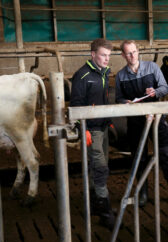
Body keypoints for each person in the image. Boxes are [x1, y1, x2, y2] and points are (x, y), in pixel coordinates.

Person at [115, 40, 168, 207]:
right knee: (139, 157)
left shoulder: (152, 68)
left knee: (166, 154)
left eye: (134, 52)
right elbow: (118, 98)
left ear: (138, 52)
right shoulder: (120, 76)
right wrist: (126, 102)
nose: (132, 55)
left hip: (157, 119)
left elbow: (165, 87)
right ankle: (143, 192)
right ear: (123, 55)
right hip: (135, 121)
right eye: (128, 53)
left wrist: (155, 91)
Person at [70, 38, 115, 229]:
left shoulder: (103, 73)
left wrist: (109, 122)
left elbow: (103, 100)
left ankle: (93, 203)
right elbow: (76, 105)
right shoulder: (82, 76)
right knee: (100, 167)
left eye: (109, 56)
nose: (107, 59)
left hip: (103, 127)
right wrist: (84, 129)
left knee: (95, 165)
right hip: (92, 131)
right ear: (93, 54)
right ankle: (105, 212)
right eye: (103, 55)